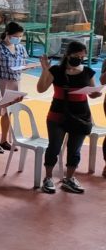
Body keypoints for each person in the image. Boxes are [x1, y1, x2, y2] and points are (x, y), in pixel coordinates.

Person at [36, 42, 96, 194]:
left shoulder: (88, 72)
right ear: (68, 55)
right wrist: (45, 70)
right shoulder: (56, 70)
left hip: (81, 116)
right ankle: (48, 178)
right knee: (54, 147)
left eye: (82, 56)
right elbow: (41, 89)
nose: (79, 59)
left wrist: (97, 93)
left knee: (75, 150)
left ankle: (69, 178)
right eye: (76, 56)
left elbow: (93, 93)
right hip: (57, 115)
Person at [0, 21, 27, 151]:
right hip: (1, 82)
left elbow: (23, 62)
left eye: (20, 37)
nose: (18, 39)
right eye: (16, 36)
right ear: (7, 34)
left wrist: (24, 68)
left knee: (9, 112)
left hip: (15, 82)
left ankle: (4, 140)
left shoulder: (20, 48)